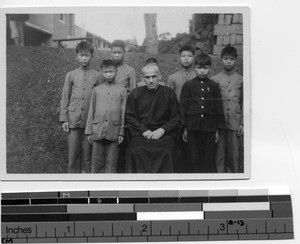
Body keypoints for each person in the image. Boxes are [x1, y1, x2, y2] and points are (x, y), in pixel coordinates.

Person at [125, 64, 180, 173]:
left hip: (164, 134)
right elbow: (130, 116)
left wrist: (161, 130)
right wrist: (144, 130)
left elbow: (176, 117)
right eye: (147, 77)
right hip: (141, 133)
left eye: (154, 77)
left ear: (160, 76)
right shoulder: (136, 94)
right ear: (142, 78)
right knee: (134, 151)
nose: (151, 81)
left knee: (167, 151)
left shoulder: (169, 93)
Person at [59, 41, 100, 173]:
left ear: (92, 56)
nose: (84, 58)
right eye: (81, 55)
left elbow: (99, 98)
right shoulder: (70, 75)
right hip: (73, 119)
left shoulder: (98, 75)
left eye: (87, 55)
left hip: (89, 121)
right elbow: (65, 96)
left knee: (88, 156)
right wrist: (65, 118)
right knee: (73, 155)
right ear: (76, 56)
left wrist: (96, 121)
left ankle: (87, 181)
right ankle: (73, 182)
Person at [180, 53, 225, 173]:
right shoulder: (188, 85)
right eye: (199, 68)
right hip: (193, 127)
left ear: (210, 68)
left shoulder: (214, 86)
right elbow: (183, 107)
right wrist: (184, 127)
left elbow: (218, 107)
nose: (202, 71)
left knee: (208, 157)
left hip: (209, 127)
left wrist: (217, 129)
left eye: (205, 68)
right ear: (194, 67)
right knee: (193, 157)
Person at [85, 59, 127, 173]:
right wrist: (89, 131)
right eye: (106, 72)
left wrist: (121, 132)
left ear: (116, 71)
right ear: (101, 72)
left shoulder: (122, 90)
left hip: (114, 129)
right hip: (97, 130)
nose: (108, 74)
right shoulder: (97, 90)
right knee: (96, 162)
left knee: (111, 162)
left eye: (111, 71)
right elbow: (91, 110)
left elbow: (123, 113)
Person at [211, 46, 243, 173]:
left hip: (235, 121)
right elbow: (212, 104)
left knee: (233, 154)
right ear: (221, 60)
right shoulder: (215, 79)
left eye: (231, 59)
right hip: (219, 122)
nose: (228, 61)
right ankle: (220, 176)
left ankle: (233, 176)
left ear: (236, 60)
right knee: (219, 153)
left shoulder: (241, 79)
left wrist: (242, 123)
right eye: (225, 58)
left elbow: (243, 102)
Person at [167, 45, 197, 172]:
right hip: (177, 119)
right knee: (177, 148)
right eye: (184, 56)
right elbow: (169, 100)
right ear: (179, 58)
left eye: (189, 56)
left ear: (193, 58)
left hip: (194, 119)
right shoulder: (173, 77)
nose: (186, 59)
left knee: (193, 150)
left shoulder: (198, 75)